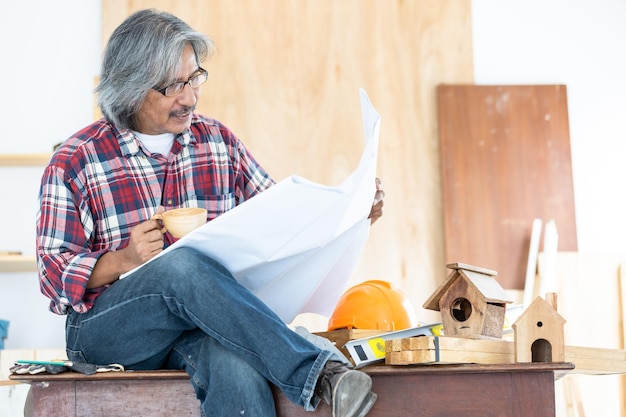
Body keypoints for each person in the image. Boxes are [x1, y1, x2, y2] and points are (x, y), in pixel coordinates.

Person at [36, 8, 384, 417]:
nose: (189, 97)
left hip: (202, 326)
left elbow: (282, 220)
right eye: (173, 86)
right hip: (106, 332)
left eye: (194, 77)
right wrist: (124, 260)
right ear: (130, 88)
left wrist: (353, 210)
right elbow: (54, 277)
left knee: (235, 364)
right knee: (180, 266)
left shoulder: (218, 142)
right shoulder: (76, 160)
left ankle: (311, 369)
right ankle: (321, 374)